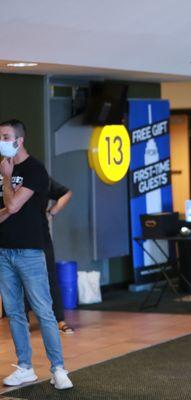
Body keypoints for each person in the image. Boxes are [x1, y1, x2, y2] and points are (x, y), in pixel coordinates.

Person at [0, 119, 73, 389]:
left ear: (19, 140)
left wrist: (7, 181)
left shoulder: (35, 170)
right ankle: (25, 367)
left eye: (6, 136)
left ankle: (59, 369)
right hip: (3, 251)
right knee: (15, 312)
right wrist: (8, 205)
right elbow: (6, 209)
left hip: (30, 250)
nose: (2, 141)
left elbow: (14, 206)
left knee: (44, 311)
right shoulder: (1, 170)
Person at [24, 178, 74, 334]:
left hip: (40, 236)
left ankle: (59, 319)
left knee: (50, 276)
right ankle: (23, 323)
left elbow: (66, 193)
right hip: (15, 237)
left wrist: (51, 212)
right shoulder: (6, 178)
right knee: (19, 279)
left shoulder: (39, 176)